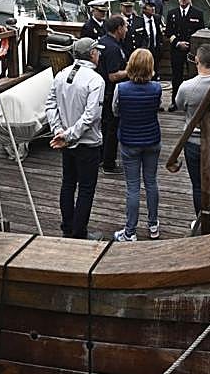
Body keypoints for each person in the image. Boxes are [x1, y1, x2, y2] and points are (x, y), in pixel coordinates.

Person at [46, 37, 105, 240]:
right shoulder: (96, 80)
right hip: (87, 144)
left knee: (68, 183)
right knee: (86, 189)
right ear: (91, 54)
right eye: (97, 51)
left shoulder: (61, 74)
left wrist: (59, 131)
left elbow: (50, 104)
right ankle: (79, 232)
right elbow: (91, 115)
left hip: (65, 141)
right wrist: (68, 134)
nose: (99, 54)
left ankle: (67, 225)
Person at [112, 49, 162, 241]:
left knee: (133, 187)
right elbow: (155, 108)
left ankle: (130, 231)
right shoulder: (156, 88)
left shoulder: (121, 89)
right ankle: (153, 225)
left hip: (129, 141)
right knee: (151, 182)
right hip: (151, 139)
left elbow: (115, 111)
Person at [170, 44, 210, 215]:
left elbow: (179, 105)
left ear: (196, 60)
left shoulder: (186, 87)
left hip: (193, 142)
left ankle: (201, 219)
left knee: (198, 185)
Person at [96, 16, 130, 173]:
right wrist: (129, 71)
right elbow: (113, 75)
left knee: (103, 125)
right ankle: (109, 163)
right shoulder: (114, 48)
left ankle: (101, 157)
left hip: (100, 91)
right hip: (110, 92)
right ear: (119, 29)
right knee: (112, 127)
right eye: (125, 27)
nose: (127, 30)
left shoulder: (101, 42)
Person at [165, 0, 205, 111]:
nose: (183, 0)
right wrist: (177, 43)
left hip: (191, 51)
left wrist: (190, 45)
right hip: (176, 50)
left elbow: (200, 32)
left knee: (193, 76)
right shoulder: (172, 13)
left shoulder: (198, 14)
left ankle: (193, 103)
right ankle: (175, 102)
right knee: (176, 77)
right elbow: (168, 33)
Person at [130, 0, 163, 75]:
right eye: (150, 6)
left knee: (155, 73)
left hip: (156, 52)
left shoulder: (157, 18)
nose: (153, 8)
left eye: (153, 6)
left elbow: (159, 34)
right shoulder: (138, 21)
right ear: (143, 9)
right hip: (143, 53)